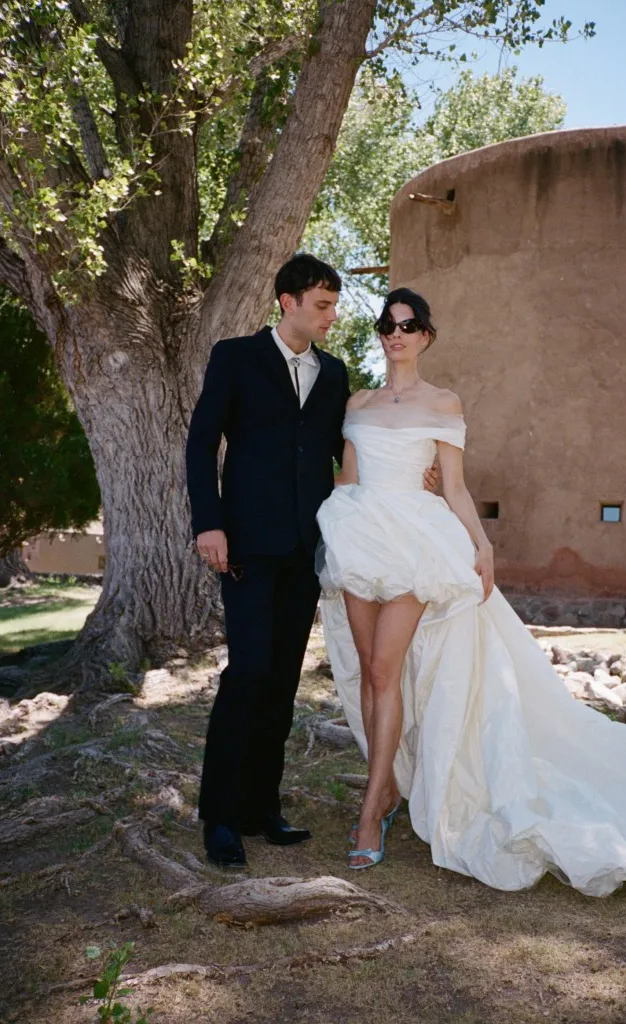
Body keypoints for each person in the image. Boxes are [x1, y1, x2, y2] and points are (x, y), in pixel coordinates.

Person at [316, 287, 626, 895]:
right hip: (360, 536)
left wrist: (482, 546)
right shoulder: (358, 401)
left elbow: (457, 488)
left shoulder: (444, 402)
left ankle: (369, 814)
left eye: (408, 325)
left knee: (387, 672)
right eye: (388, 324)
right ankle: (384, 787)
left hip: (418, 543)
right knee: (367, 667)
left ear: (426, 336)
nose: (396, 334)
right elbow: (350, 479)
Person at [185, 255, 439, 868]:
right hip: (244, 544)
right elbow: (201, 441)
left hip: (308, 550)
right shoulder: (235, 357)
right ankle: (219, 817)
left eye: (333, 304)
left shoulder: (333, 374)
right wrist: (209, 523)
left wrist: (415, 473)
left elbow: (343, 453)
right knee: (246, 674)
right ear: (288, 302)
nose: (332, 316)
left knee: (280, 681)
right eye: (322, 305)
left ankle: (260, 809)